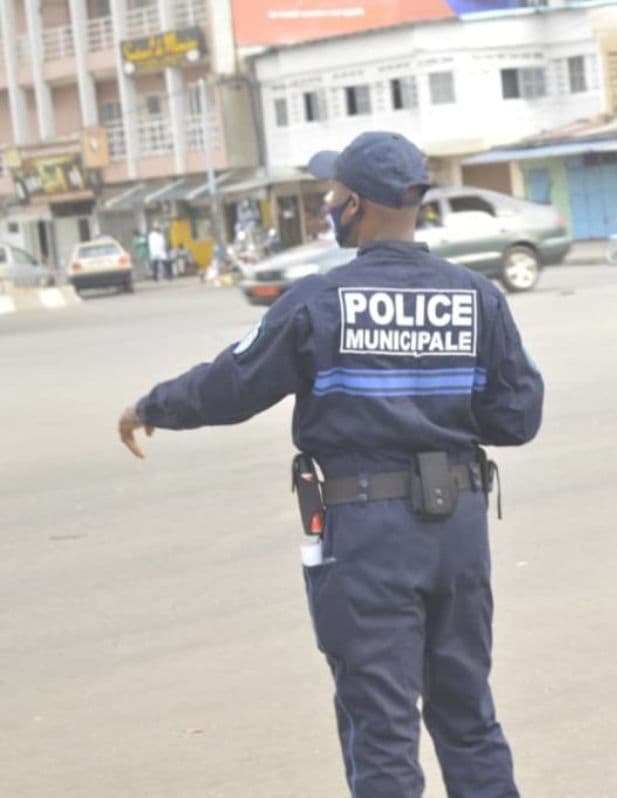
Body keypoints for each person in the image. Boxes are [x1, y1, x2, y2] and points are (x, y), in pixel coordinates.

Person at [116, 131, 544, 797]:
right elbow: (518, 416)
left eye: (332, 194)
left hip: (368, 536)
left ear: (358, 204)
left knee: (381, 728)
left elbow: (231, 387)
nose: (326, 205)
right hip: (457, 532)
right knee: (468, 717)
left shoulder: (321, 301)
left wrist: (153, 406)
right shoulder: (475, 296)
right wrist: (438, 410)